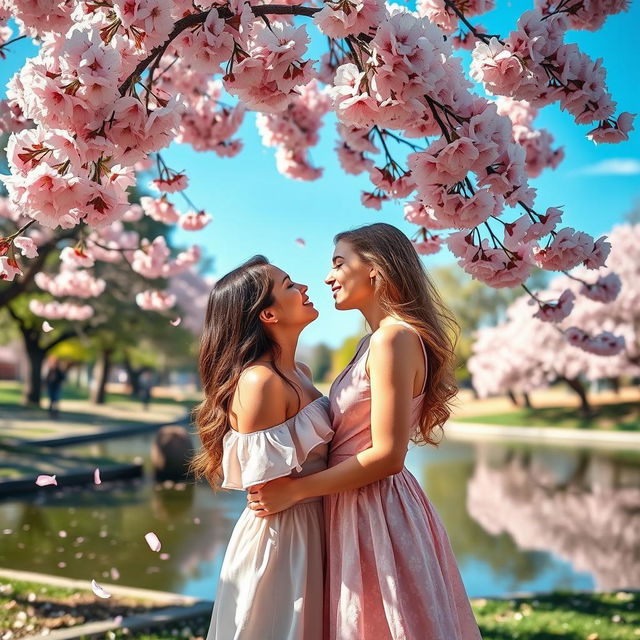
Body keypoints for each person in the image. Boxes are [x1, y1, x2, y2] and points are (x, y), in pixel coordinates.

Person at [248, 224, 482, 640]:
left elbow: (388, 456)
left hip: (375, 507)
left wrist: (295, 491)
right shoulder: (373, 341)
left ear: (376, 270)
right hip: (354, 502)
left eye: (339, 263)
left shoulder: (394, 339)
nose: (327, 277)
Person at [190, 255, 333, 640]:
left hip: (316, 525)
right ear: (268, 315)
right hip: (285, 541)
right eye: (289, 285)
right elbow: (269, 489)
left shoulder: (298, 372)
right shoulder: (260, 383)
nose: (304, 288)